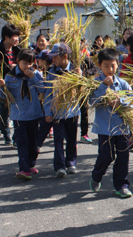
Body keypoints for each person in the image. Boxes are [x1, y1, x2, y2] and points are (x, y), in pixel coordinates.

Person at [89, 48, 133, 198]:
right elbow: (92, 101)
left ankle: (121, 185)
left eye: (113, 65)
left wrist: (119, 102)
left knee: (123, 157)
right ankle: (97, 176)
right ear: (100, 66)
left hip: (122, 128)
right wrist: (103, 86)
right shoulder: (96, 83)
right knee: (106, 157)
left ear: (118, 65)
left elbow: (132, 101)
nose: (110, 69)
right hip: (104, 128)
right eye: (106, 66)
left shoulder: (123, 84)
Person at [0, 49, 44, 180]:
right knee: (22, 142)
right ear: (18, 61)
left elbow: (43, 89)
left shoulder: (36, 74)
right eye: (25, 63)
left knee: (33, 142)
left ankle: (30, 164)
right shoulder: (10, 76)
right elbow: (5, 97)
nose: (28, 66)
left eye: (30, 63)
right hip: (18, 115)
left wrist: (33, 77)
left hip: (34, 114)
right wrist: (2, 87)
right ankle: (24, 169)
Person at [43, 43, 81, 178]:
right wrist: (48, 112)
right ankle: (59, 166)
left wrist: (80, 77)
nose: (53, 60)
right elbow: (48, 94)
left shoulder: (76, 71)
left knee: (71, 138)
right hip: (57, 111)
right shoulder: (51, 72)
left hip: (72, 111)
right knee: (58, 139)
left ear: (64, 56)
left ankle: (71, 162)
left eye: (55, 57)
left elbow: (83, 91)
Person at [0, 24, 20, 146]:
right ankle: (6, 133)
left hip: (17, 84)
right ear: (6, 37)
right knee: (3, 110)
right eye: (14, 36)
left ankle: (16, 136)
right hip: (2, 85)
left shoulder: (18, 50)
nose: (17, 39)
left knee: (18, 109)